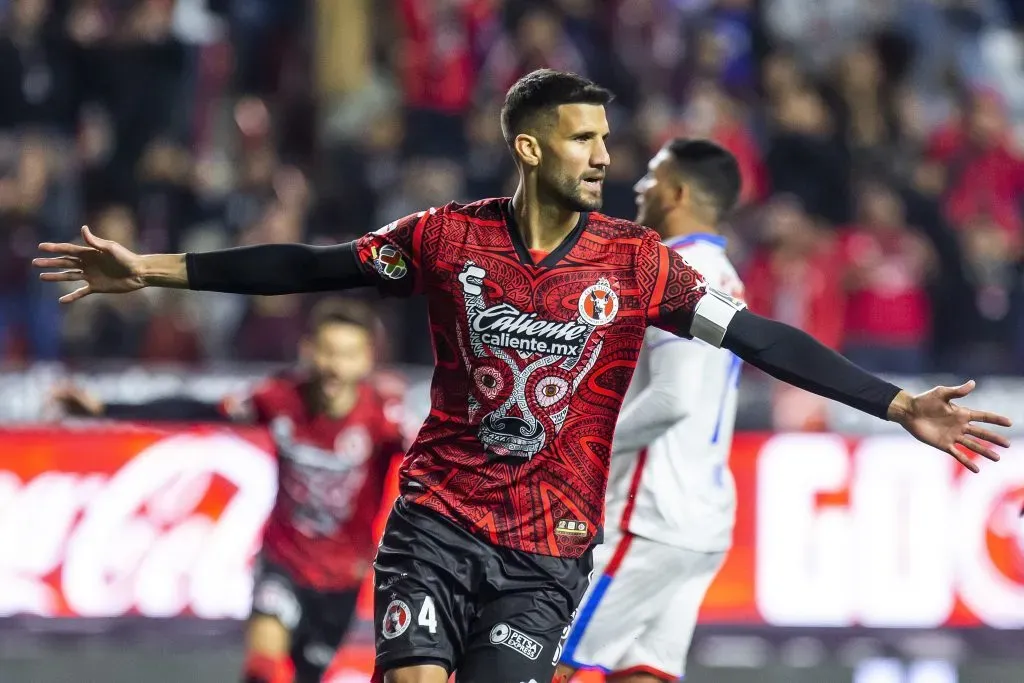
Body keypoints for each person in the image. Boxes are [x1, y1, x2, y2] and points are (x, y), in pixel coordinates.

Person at [34, 69, 1010, 683]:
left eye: (606, 139)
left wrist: (894, 403)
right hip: (437, 522)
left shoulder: (640, 265)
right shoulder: (444, 238)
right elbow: (311, 262)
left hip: (547, 553)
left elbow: (758, 338)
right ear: (531, 146)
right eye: (584, 139)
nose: (603, 156)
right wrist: (155, 269)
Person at [51, 298, 406, 683]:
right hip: (283, 562)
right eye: (327, 352)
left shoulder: (384, 419)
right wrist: (105, 408)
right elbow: (196, 408)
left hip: (342, 579)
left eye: (348, 355)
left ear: (367, 359)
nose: (335, 367)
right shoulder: (280, 398)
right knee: (263, 669)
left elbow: (436, 466)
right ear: (308, 350)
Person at [555, 139, 745, 682]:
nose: (639, 187)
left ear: (678, 192)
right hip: (702, 517)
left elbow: (672, 398)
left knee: (541, 658)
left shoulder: (679, 270)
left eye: (652, 176)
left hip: (651, 514)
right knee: (645, 670)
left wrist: (580, 451)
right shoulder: (726, 273)